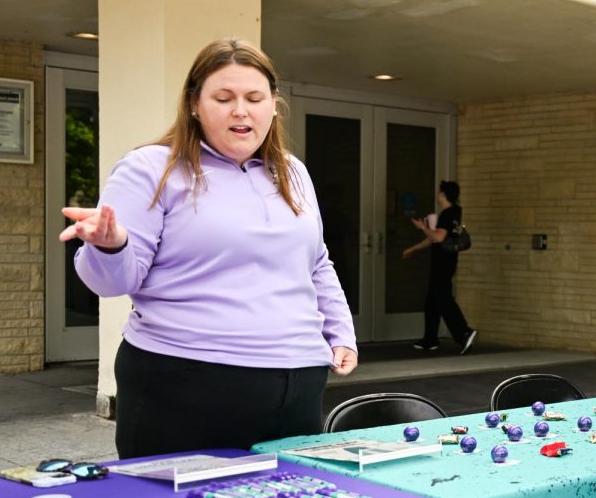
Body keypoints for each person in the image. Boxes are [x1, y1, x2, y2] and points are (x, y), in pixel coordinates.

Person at [62, 38, 358, 459]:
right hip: (185, 383)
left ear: (273, 106)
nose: (241, 110)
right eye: (224, 98)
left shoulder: (293, 172)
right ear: (194, 104)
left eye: (254, 98)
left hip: (297, 383)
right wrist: (112, 246)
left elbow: (316, 263)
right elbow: (112, 283)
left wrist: (340, 332)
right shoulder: (151, 168)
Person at [401, 180, 477, 355]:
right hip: (447, 261)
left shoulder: (448, 214)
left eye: (439, 192)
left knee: (443, 298)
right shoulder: (456, 212)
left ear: (443, 194)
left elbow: (438, 238)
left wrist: (422, 227)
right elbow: (434, 237)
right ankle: (430, 339)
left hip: (442, 262)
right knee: (432, 300)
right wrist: (413, 249)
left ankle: (464, 332)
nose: (437, 195)